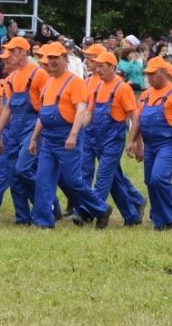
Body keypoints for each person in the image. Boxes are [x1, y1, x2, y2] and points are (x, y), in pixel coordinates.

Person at [27, 43, 111, 229]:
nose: (51, 63)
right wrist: (34, 138)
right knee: (43, 179)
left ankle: (101, 208)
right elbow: (44, 114)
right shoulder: (48, 83)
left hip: (67, 138)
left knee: (73, 181)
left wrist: (73, 135)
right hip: (49, 139)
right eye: (48, 59)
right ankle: (43, 222)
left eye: (55, 58)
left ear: (65, 59)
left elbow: (80, 111)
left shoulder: (75, 82)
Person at [80, 51, 146, 226]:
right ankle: (131, 216)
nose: (98, 70)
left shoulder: (122, 88)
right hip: (94, 137)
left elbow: (134, 117)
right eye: (97, 66)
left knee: (102, 178)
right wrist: (78, 131)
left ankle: (89, 212)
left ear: (113, 67)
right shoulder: (97, 87)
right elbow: (89, 113)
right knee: (114, 180)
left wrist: (135, 141)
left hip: (112, 140)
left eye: (102, 67)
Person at [128, 57, 172, 230]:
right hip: (150, 144)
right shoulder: (146, 94)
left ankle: (168, 219)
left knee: (158, 179)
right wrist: (134, 142)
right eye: (147, 74)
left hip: (168, 143)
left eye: (153, 74)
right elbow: (138, 120)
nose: (149, 77)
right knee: (151, 181)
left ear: (164, 73)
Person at [0, 37, 46, 224]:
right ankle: (22, 216)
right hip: (15, 128)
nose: (9, 56)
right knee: (13, 173)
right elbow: (7, 108)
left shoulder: (39, 74)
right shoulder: (11, 78)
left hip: (33, 125)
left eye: (13, 51)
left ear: (24, 52)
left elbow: (45, 106)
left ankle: (46, 204)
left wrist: (37, 133)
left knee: (22, 168)